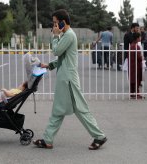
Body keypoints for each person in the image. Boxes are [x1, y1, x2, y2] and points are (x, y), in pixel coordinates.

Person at [33, 9, 107, 150]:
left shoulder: (68, 35)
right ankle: (48, 139)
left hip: (68, 80)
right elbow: (63, 57)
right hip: (66, 78)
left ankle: (99, 136)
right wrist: (49, 65)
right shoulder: (67, 35)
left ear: (63, 22)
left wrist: (55, 36)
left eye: (55, 22)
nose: (54, 26)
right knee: (60, 110)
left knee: (78, 109)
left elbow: (57, 51)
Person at [128, 32, 144, 99]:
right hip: (136, 65)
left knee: (132, 79)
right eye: (139, 37)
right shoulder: (136, 46)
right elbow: (138, 57)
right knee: (136, 79)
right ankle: (137, 94)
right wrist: (142, 58)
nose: (140, 38)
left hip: (131, 64)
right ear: (137, 38)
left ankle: (132, 93)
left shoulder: (131, 45)